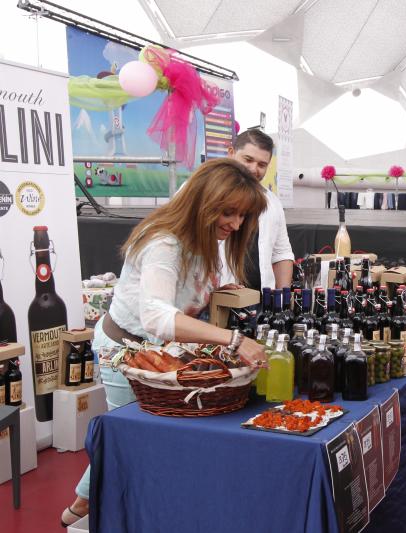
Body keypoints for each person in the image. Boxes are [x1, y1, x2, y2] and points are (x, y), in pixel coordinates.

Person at [60, 159, 267, 527]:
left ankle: (85, 504)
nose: (235, 225)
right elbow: (157, 315)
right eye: (230, 212)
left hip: (157, 354)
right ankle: (90, 507)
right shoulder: (163, 243)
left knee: (134, 442)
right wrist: (234, 340)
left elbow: (178, 293)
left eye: (243, 216)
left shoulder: (205, 239)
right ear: (205, 201)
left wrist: (216, 289)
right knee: (133, 445)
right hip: (124, 353)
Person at [221, 128, 294, 289]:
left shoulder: (273, 203)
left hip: (261, 304)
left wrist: (281, 302)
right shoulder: (204, 191)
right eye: (248, 159)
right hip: (213, 304)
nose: (254, 169)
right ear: (231, 153)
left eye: (262, 165)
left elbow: (281, 253)